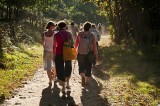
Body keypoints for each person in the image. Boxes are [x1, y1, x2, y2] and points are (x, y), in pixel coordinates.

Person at [53, 21, 74, 98]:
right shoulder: (69, 33)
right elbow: (72, 43)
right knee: (68, 67)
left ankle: (63, 87)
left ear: (58, 27)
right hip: (67, 52)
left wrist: (53, 55)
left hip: (58, 53)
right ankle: (67, 83)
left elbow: (54, 45)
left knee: (60, 68)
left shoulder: (56, 34)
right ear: (65, 26)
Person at [75, 21, 98, 87]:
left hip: (80, 52)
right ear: (90, 28)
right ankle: (86, 81)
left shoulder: (80, 33)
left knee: (81, 66)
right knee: (88, 66)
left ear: (83, 27)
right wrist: (96, 54)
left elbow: (76, 43)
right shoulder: (92, 35)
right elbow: (94, 46)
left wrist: (75, 51)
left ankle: (82, 76)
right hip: (90, 53)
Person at [42, 21, 56, 85]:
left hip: (46, 51)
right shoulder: (54, 33)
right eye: (53, 26)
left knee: (48, 67)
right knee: (55, 65)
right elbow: (55, 44)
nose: (54, 27)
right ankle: (54, 76)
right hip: (53, 51)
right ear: (51, 26)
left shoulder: (44, 33)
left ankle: (50, 80)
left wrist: (46, 48)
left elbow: (43, 43)